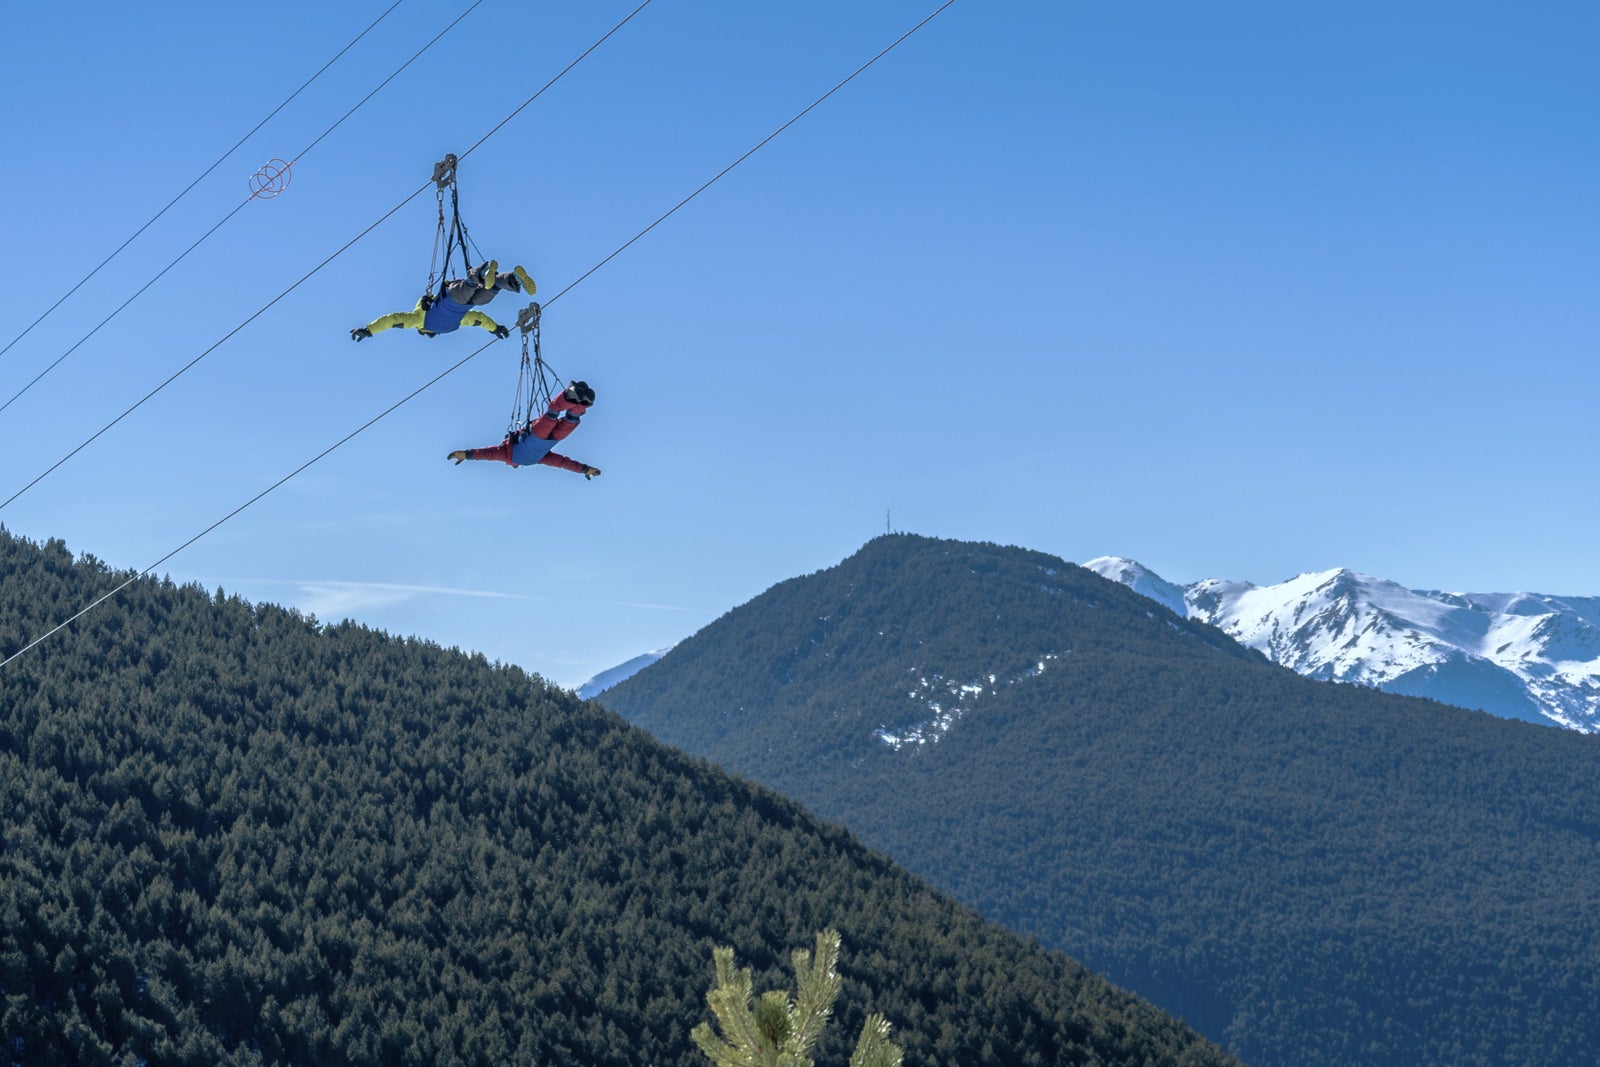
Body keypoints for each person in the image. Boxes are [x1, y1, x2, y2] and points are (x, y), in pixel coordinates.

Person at [448, 380, 601, 479]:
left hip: (550, 439)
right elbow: (487, 454)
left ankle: (578, 401)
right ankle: (575, 397)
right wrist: (467, 454)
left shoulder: (531, 458)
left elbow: (562, 463)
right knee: (553, 413)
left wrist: (584, 469)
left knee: (564, 420)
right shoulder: (508, 453)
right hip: (536, 435)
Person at [351, 261, 536, 341]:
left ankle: (483, 273)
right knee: (487, 290)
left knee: (472, 286)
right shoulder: (442, 322)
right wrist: (496, 328)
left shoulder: (421, 320)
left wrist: (369, 330)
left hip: (452, 297)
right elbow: (478, 319)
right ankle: (513, 278)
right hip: (463, 302)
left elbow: (392, 320)